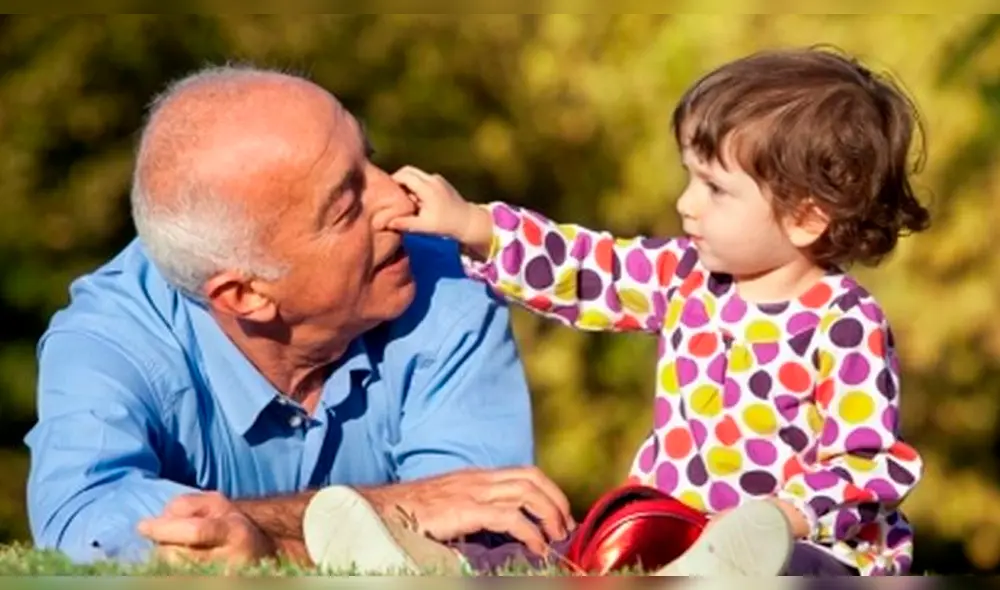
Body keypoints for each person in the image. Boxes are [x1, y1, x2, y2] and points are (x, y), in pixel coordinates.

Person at [303, 47, 930, 576]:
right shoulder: (688, 277)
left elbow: (866, 463)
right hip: (671, 531)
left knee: (792, 569)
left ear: (805, 218)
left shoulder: (845, 322)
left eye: (715, 188)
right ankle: (422, 563)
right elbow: (586, 269)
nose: (686, 203)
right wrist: (476, 226)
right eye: (690, 176)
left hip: (812, 549)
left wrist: (784, 517)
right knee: (559, 552)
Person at [23, 65, 577, 569]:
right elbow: (85, 531)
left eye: (370, 158)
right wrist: (384, 511)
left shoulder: (449, 284)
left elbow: (484, 542)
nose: (400, 199)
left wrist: (267, 542)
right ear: (244, 295)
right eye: (346, 207)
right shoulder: (109, 339)